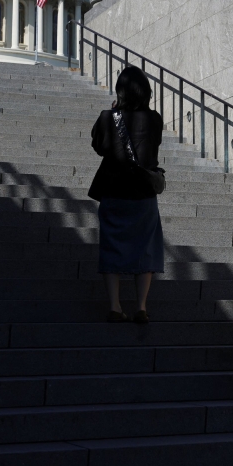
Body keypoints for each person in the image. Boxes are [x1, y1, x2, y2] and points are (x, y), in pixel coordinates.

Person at [88, 66, 164, 324]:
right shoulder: (155, 119)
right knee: (146, 248)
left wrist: (113, 112)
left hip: (114, 193)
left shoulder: (108, 117)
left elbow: (99, 146)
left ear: (120, 91)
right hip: (143, 196)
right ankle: (141, 307)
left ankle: (114, 305)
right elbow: (153, 148)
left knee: (111, 247)